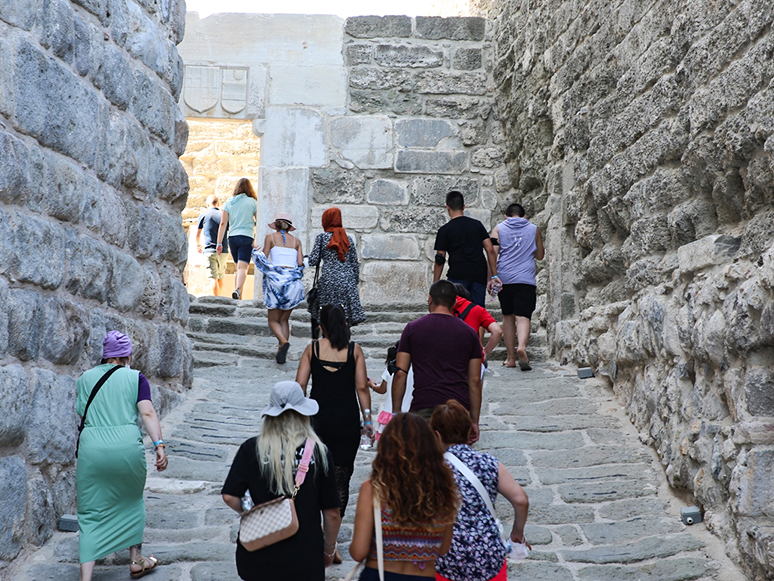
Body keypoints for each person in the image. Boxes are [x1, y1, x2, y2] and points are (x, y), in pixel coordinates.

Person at [221, 381, 341, 581]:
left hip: (259, 553)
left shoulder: (252, 448)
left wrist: (251, 511)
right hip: (305, 557)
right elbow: (332, 513)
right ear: (304, 413)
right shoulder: (319, 452)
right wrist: (328, 550)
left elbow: (229, 496)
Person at [76, 331, 168, 581]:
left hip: (92, 449)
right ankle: (136, 560)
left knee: (89, 510)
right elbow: (147, 413)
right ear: (127, 355)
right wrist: (159, 445)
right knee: (131, 500)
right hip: (126, 448)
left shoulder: (84, 378)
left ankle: (86, 576)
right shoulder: (135, 378)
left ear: (106, 355)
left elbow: (82, 413)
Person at [295, 303, 374, 561]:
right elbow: (362, 388)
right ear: (345, 325)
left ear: (321, 327)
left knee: (312, 476)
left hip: (316, 423)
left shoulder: (312, 349)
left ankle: (319, 533)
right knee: (340, 480)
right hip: (346, 424)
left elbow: (300, 386)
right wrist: (368, 419)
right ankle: (331, 545)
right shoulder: (354, 351)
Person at [349, 412, 458, 580]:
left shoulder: (374, 488)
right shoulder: (443, 488)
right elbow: (443, 549)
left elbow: (358, 552)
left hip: (379, 574)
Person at [431, 400, 530, 581]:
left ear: (437, 435)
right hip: (488, 555)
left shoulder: (431, 469)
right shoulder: (489, 463)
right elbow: (521, 500)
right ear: (470, 430)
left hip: (446, 557)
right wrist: (517, 533)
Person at [391, 280, 483, 443]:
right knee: (454, 463)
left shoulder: (412, 329)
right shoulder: (469, 333)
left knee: (424, 462)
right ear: (454, 302)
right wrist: (474, 420)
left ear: (430, 299)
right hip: (458, 409)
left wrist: (397, 414)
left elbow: (400, 374)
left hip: (423, 406)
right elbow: (475, 380)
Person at [490, 203, 544, 370]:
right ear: (524, 216)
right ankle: (522, 346)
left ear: (506, 216)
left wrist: (492, 277)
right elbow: (540, 255)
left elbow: (492, 253)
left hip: (504, 279)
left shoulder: (498, 229)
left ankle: (511, 357)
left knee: (508, 316)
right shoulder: (534, 229)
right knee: (523, 317)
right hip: (525, 279)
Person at [252, 212, 304, 364]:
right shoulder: (297, 241)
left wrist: (255, 249)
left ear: (276, 225)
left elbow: (264, 258)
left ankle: (283, 342)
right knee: (284, 320)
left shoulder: (270, 237)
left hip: (276, 282)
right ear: (290, 227)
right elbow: (300, 263)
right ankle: (282, 351)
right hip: (293, 284)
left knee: (273, 320)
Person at [433, 191, 499, 307]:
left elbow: (440, 259)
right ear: (463, 207)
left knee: (457, 310)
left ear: (448, 208)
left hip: (457, 274)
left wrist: (436, 284)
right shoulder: (477, 225)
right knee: (477, 312)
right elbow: (490, 249)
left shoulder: (445, 230)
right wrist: (494, 276)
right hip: (478, 274)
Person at [308, 207, 365, 334]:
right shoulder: (348, 238)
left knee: (327, 314)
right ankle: (344, 344)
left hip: (328, 281)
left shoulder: (322, 238)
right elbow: (354, 263)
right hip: (347, 281)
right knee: (344, 315)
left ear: (326, 220)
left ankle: (327, 343)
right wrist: (353, 282)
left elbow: (313, 261)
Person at [216, 178, 259, 300]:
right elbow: (259, 221)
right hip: (246, 237)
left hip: (232, 238)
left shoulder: (229, 202)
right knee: (243, 268)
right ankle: (238, 290)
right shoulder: (253, 202)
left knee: (238, 268)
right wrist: (258, 241)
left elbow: (223, 223)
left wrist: (219, 243)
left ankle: (239, 297)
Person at [368, 342, 414, 441]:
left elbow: (382, 389)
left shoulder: (390, 369)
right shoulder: (416, 371)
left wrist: (372, 385)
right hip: (409, 414)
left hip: (388, 415)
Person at [451, 283, 502, 366]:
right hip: (471, 359)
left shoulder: (443, 309)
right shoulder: (477, 309)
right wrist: (484, 352)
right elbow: (497, 331)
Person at [196, 194, 229, 296]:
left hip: (210, 250)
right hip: (223, 251)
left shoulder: (204, 215)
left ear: (207, 205)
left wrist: (198, 245)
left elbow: (197, 234)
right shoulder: (223, 215)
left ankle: (215, 300)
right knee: (220, 276)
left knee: (212, 278)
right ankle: (220, 297)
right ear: (218, 204)